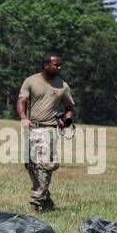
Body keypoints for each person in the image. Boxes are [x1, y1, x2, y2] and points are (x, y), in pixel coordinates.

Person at [17, 52, 75, 212]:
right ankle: (47, 200)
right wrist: (23, 117)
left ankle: (35, 204)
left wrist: (67, 121)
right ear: (46, 65)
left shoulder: (63, 86)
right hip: (31, 128)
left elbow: (69, 108)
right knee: (30, 165)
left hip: (49, 130)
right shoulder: (31, 81)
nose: (60, 67)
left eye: (60, 64)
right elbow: (21, 101)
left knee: (44, 165)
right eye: (56, 65)